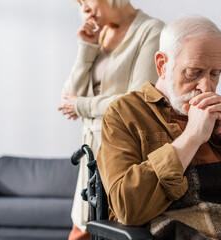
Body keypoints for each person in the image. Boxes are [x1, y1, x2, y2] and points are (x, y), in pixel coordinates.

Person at [97, 15, 221, 239]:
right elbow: (128, 209)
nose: (206, 86)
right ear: (162, 65)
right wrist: (191, 136)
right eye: (194, 72)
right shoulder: (125, 113)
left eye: (215, 74)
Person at [58, 0, 164, 239]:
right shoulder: (100, 33)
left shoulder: (152, 31)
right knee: (81, 229)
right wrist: (86, 49)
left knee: (112, 229)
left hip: (121, 152)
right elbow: (69, 95)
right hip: (90, 154)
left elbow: (137, 101)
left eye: (87, 0)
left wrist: (81, 105)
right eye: (80, 3)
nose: (84, 9)